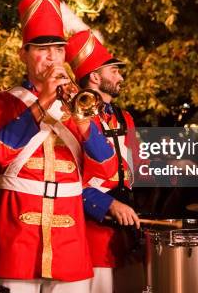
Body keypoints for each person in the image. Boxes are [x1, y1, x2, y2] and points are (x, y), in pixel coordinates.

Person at [0, 0, 117, 293]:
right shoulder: (0, 102)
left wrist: (82, 121)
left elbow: (107, 167)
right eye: (42, 50)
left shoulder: (79, 103)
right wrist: (42, 103)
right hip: (16, 240)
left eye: (57, 49)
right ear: (24, 53)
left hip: (69, 242)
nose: (52, 58)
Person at [64, 28, 140, 293]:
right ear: (95, 76)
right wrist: (107, 205)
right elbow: (67, 177)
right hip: (90, 232)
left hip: (124, 232)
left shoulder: (125, 118)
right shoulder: (73, 117)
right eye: (114, 71)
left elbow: (135, 168)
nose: (120, 76)